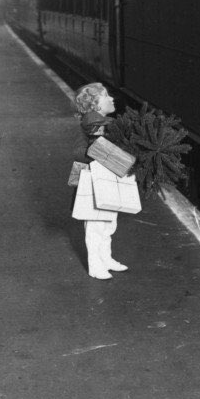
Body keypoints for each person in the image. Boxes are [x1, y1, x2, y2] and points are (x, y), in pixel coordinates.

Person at [72, 83, 129, 280]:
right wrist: (125, 162)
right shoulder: (93, 121)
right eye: (106, 96)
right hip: (93, 175)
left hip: (99, 173)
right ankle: (95, 266)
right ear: (95, 104)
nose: (112, 98)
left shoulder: (99, 121)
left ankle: (106, 259)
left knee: (107, 221)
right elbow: (98, 147)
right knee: (96, 223)